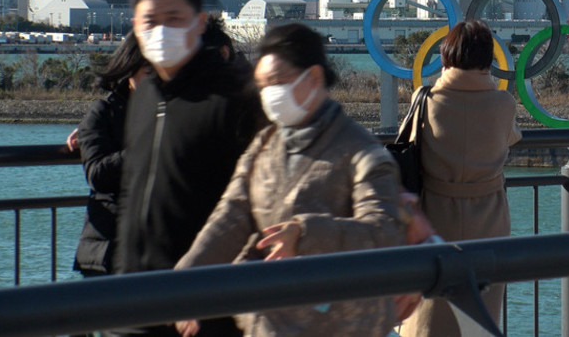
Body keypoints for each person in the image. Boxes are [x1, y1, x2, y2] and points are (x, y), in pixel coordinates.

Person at [174, 22, 406, 336]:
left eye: (277, 81)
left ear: (313, 77)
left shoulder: (362, 151)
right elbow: (230, 216)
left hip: (342, 326)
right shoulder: (264, 147)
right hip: (268, 322)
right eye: (263, 85)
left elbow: (384, 232)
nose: (269, 94)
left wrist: (305, 232)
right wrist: (186, 279)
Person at [115, 0, 265, 336]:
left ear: (200, 23)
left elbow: (261, 199)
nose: (161, 31)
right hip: (134, 300)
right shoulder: (145, 96)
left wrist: (218, 292)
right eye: (150, 20)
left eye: (174, 19)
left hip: (207, 307)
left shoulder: (236, 96)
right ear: (135, 25)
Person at [398, 20, 522, 337]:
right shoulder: (504, 104)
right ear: (487, 60)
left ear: (446, 57)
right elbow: (510, 139)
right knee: (480, 316)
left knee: (428, 310)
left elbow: (406, 145)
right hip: (490, 221)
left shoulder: (426, 100)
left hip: (435, 217)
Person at [71, 36, 149, 277]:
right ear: (129, 71)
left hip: (155, 249)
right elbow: (97, 175)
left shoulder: (174, 115)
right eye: (149, 71)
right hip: (109, 248)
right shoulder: (102, 112)